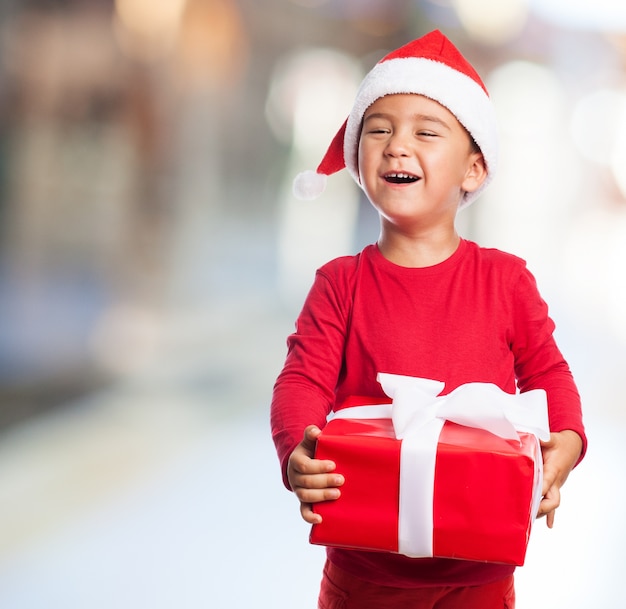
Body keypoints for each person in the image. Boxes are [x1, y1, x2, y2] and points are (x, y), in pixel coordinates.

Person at [270, 29, 586, 609]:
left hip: (480, 574)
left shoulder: (505, 280)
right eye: (379, 129)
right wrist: (298, 449)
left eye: (425, 132)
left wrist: (565, 440)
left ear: (473, 169)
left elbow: (549, 372)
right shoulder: (340, 282)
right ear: (356, 157)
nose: (395, 146)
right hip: (361, 572)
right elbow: (303, 380)